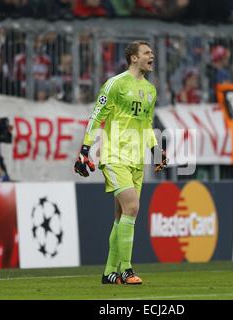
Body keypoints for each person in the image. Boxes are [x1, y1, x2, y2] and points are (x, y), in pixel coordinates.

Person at [74, 41, 167, 285]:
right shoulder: (115, 83)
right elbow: (97, 116)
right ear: (133, 58)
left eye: (152, 53)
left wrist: (156, 149)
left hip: (137, 160)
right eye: (147, 53)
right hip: (115, 155)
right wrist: (85, 149)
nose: (152, 56)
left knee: (123, 217)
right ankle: (126, 270)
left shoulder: (150, 90)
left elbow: (146, 124)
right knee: (133, 208)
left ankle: (108, 272)